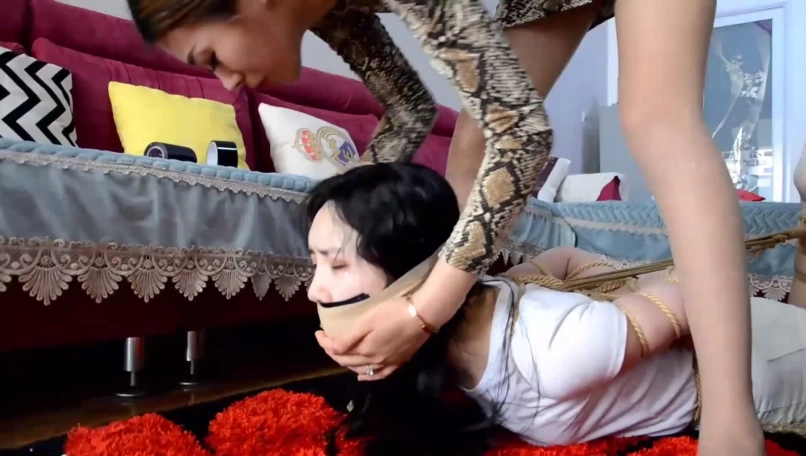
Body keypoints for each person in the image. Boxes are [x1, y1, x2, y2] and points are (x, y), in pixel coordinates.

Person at [127, 0, 761, 452]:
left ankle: (732, 422)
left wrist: (425, 310)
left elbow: (525, 138)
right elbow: (410, 110)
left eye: (210, 55)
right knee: (471, 142)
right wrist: (353, 218)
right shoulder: (328, 9)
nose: (224, 80)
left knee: (656, 119)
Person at [305, 162, 806, 456]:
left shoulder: (558, 348)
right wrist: (623, 298)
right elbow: (566, 258)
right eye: (315, 264)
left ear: (411, 268)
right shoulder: (490, 299)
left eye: (337, 265)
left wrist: (622, 306)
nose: (314, 291)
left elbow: (703, 289)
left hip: (766, 365)